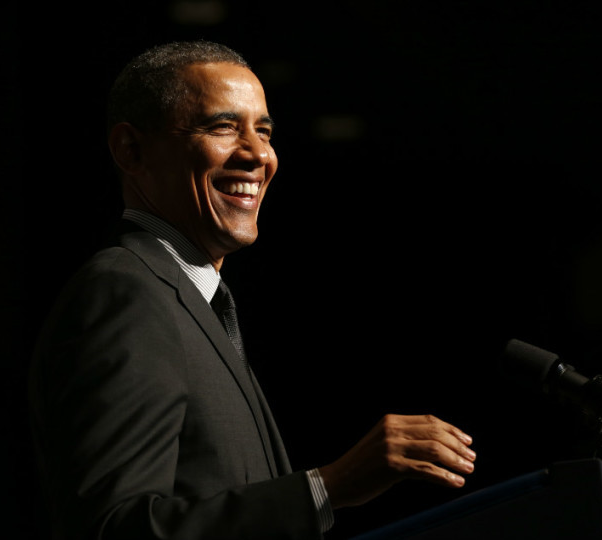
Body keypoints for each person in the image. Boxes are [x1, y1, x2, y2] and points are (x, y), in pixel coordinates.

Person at [29, 40, 477, 539]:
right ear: (131, 150)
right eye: (223, 127)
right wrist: (328, 487)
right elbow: (112, 529)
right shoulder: (126, 292)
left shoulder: (195, 301)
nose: (258, 154)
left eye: (264, 131)